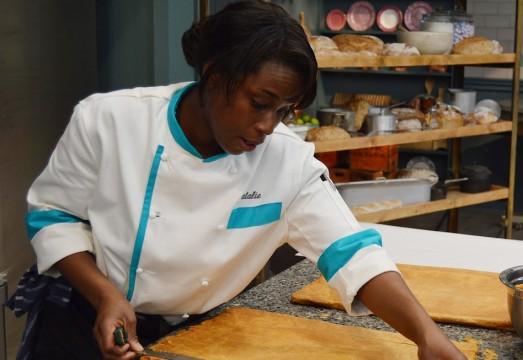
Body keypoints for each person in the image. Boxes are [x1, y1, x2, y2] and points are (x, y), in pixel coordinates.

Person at [11, 1, 466, 359]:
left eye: (284, 110)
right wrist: (106, 295)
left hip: (201, 330)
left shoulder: (287, 160)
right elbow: (54, 217)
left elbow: (350, 252)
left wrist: (425, 335)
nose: (269, 125)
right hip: (83, 319)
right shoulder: (110, 121)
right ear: (213, 76)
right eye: (259, 102)